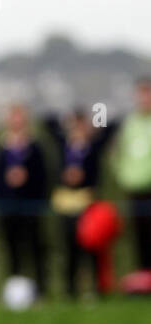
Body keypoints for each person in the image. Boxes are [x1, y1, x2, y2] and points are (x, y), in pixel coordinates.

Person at [44, 108, 119, 298]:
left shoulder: (93, 146)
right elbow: (48, 121)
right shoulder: (64, 145)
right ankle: (70, 289)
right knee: (69, 248)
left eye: (80, 125)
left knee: (92, 248)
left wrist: (96, 123)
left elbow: (113, 127)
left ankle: (97, 288)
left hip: (88, 204)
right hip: (66, 204)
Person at [0, 103, 49, 294]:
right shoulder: (2, 148)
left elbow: (43, 176)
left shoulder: (34, 147)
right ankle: (14, 289)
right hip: (8, 206)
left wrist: (28, 178)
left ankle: (40, 288)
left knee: (35, 247)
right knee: (11, 248)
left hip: (30, 206)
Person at [112, 78, 151, 271]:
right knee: (138, 236)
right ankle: (143, 279)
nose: (144, 98)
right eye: (141, 94)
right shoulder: (130, 123)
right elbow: (118, 152)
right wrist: (122, 175)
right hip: (134, 189)